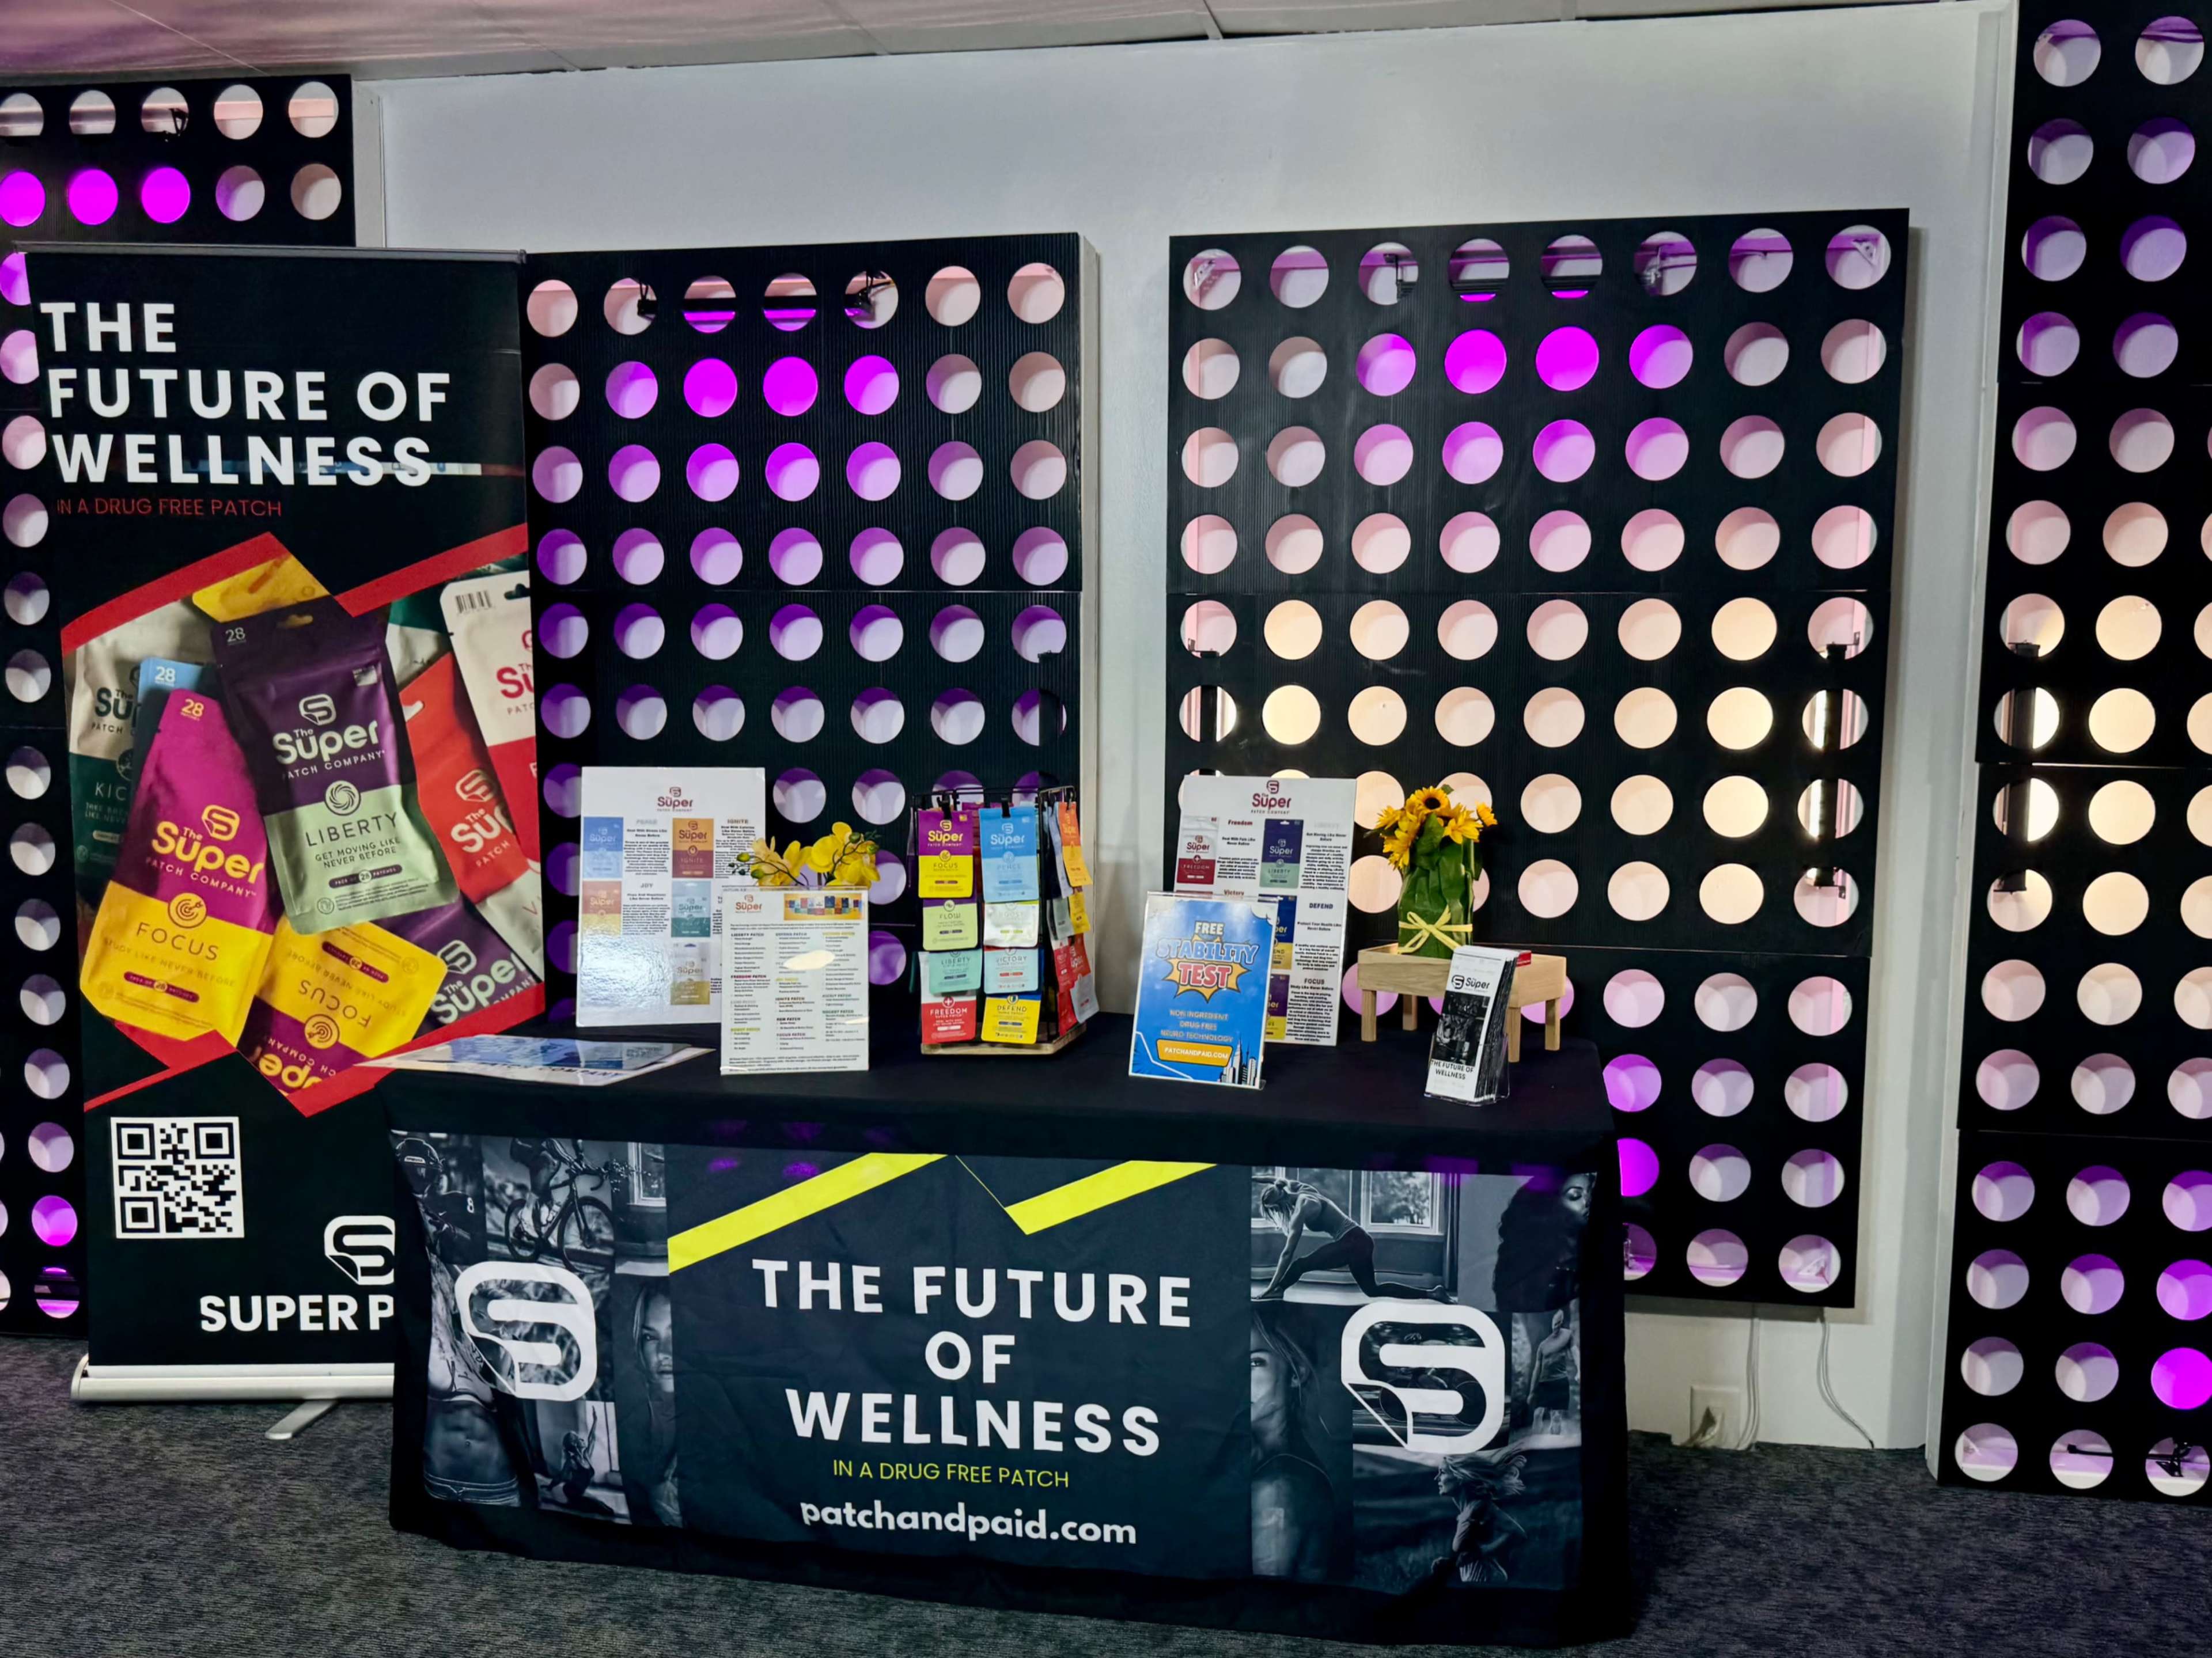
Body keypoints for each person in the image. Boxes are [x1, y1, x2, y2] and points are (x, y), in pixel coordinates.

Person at [1254, 1177, 1446, 1302]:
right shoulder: (1300, 1188)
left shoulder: (1301, 1209)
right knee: (1372, 1290)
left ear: (1279, 1207)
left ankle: (1278, 1290)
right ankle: (1433, 1293)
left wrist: (1270, 1287)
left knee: (1300, 1264)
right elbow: (1275, 1180)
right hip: (1361, 1239)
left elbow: (1288, 1252)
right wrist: (1254, 1179)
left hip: (1353, 1242)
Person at [1249, 1311, 1334, 1580]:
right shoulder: (1275, 1464)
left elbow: (1266, 1606)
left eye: (1255, 1363)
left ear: (1296, 1372)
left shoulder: (1278, 1486)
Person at [1491, 1171, 1592, 1311]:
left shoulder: (1589, 1251)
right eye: (1575, 1196)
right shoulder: (1528, 1268)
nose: (1587, 1202)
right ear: (1548, 1206)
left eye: (1590, 1193)